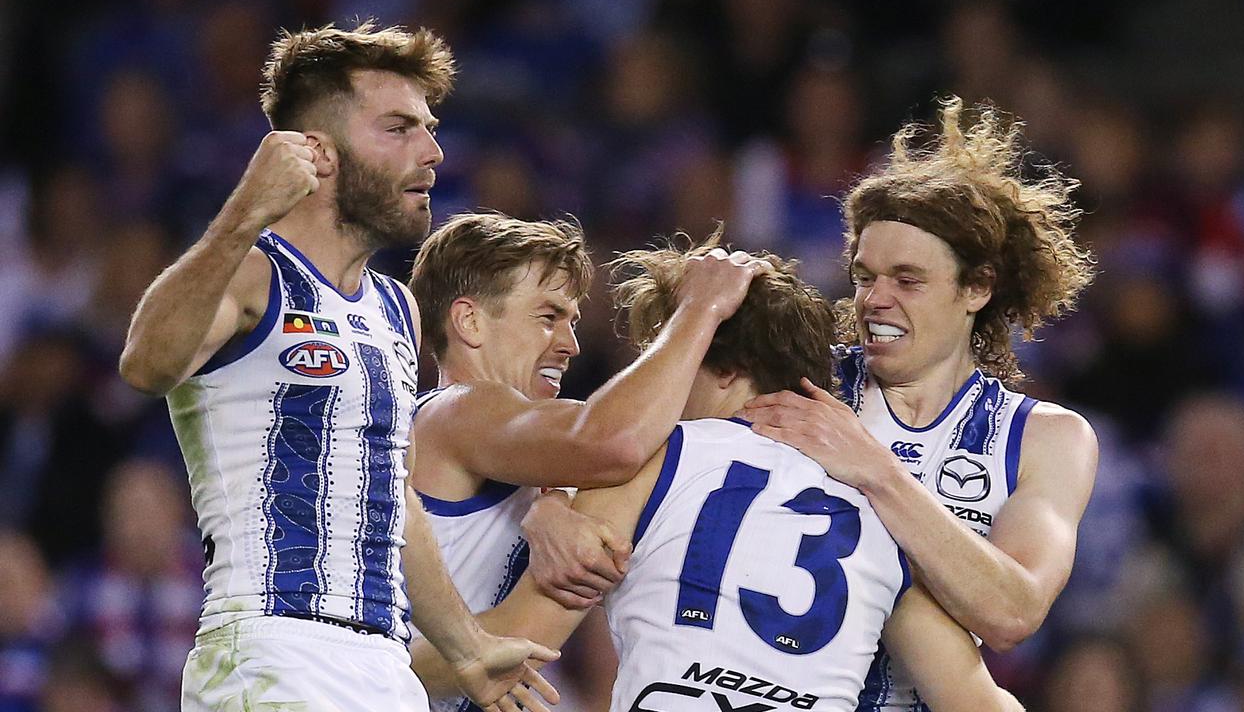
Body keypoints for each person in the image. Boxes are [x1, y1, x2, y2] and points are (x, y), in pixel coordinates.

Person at [118, 22, 555, 712]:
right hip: (269, 649)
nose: (433, 152)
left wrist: (467, 647)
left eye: (430, 128)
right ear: (317, 153)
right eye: (398, 128)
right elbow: (146, 362)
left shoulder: (396, 308)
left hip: (383, 662)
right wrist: (242, 214)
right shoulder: (251, 273)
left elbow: (394, 499)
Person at [412, 238, 1024, 712]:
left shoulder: (650, 460)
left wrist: (348, 657)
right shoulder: (887, 519)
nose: (662, 388)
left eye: (673, 359)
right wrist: (545, 506)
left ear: (722, 368)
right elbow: (978, 701)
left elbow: (509, 648)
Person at [739, 96, 1100, 710]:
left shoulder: (1044, 437)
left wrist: (874, 470)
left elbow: (1012, 610)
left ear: (977, 288)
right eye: (863, 277)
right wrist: (558, 504)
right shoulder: (795, 382)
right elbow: (643, 458)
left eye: (908, 280)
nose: (875, 299)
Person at [405, 213, 771, 710]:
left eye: (572, 322)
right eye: (547, 317)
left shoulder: (512, 449)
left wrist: (553, 502)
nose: (570, 344)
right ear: (470, 321)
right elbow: (614, 443)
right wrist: (700, 308)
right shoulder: (455, 409)